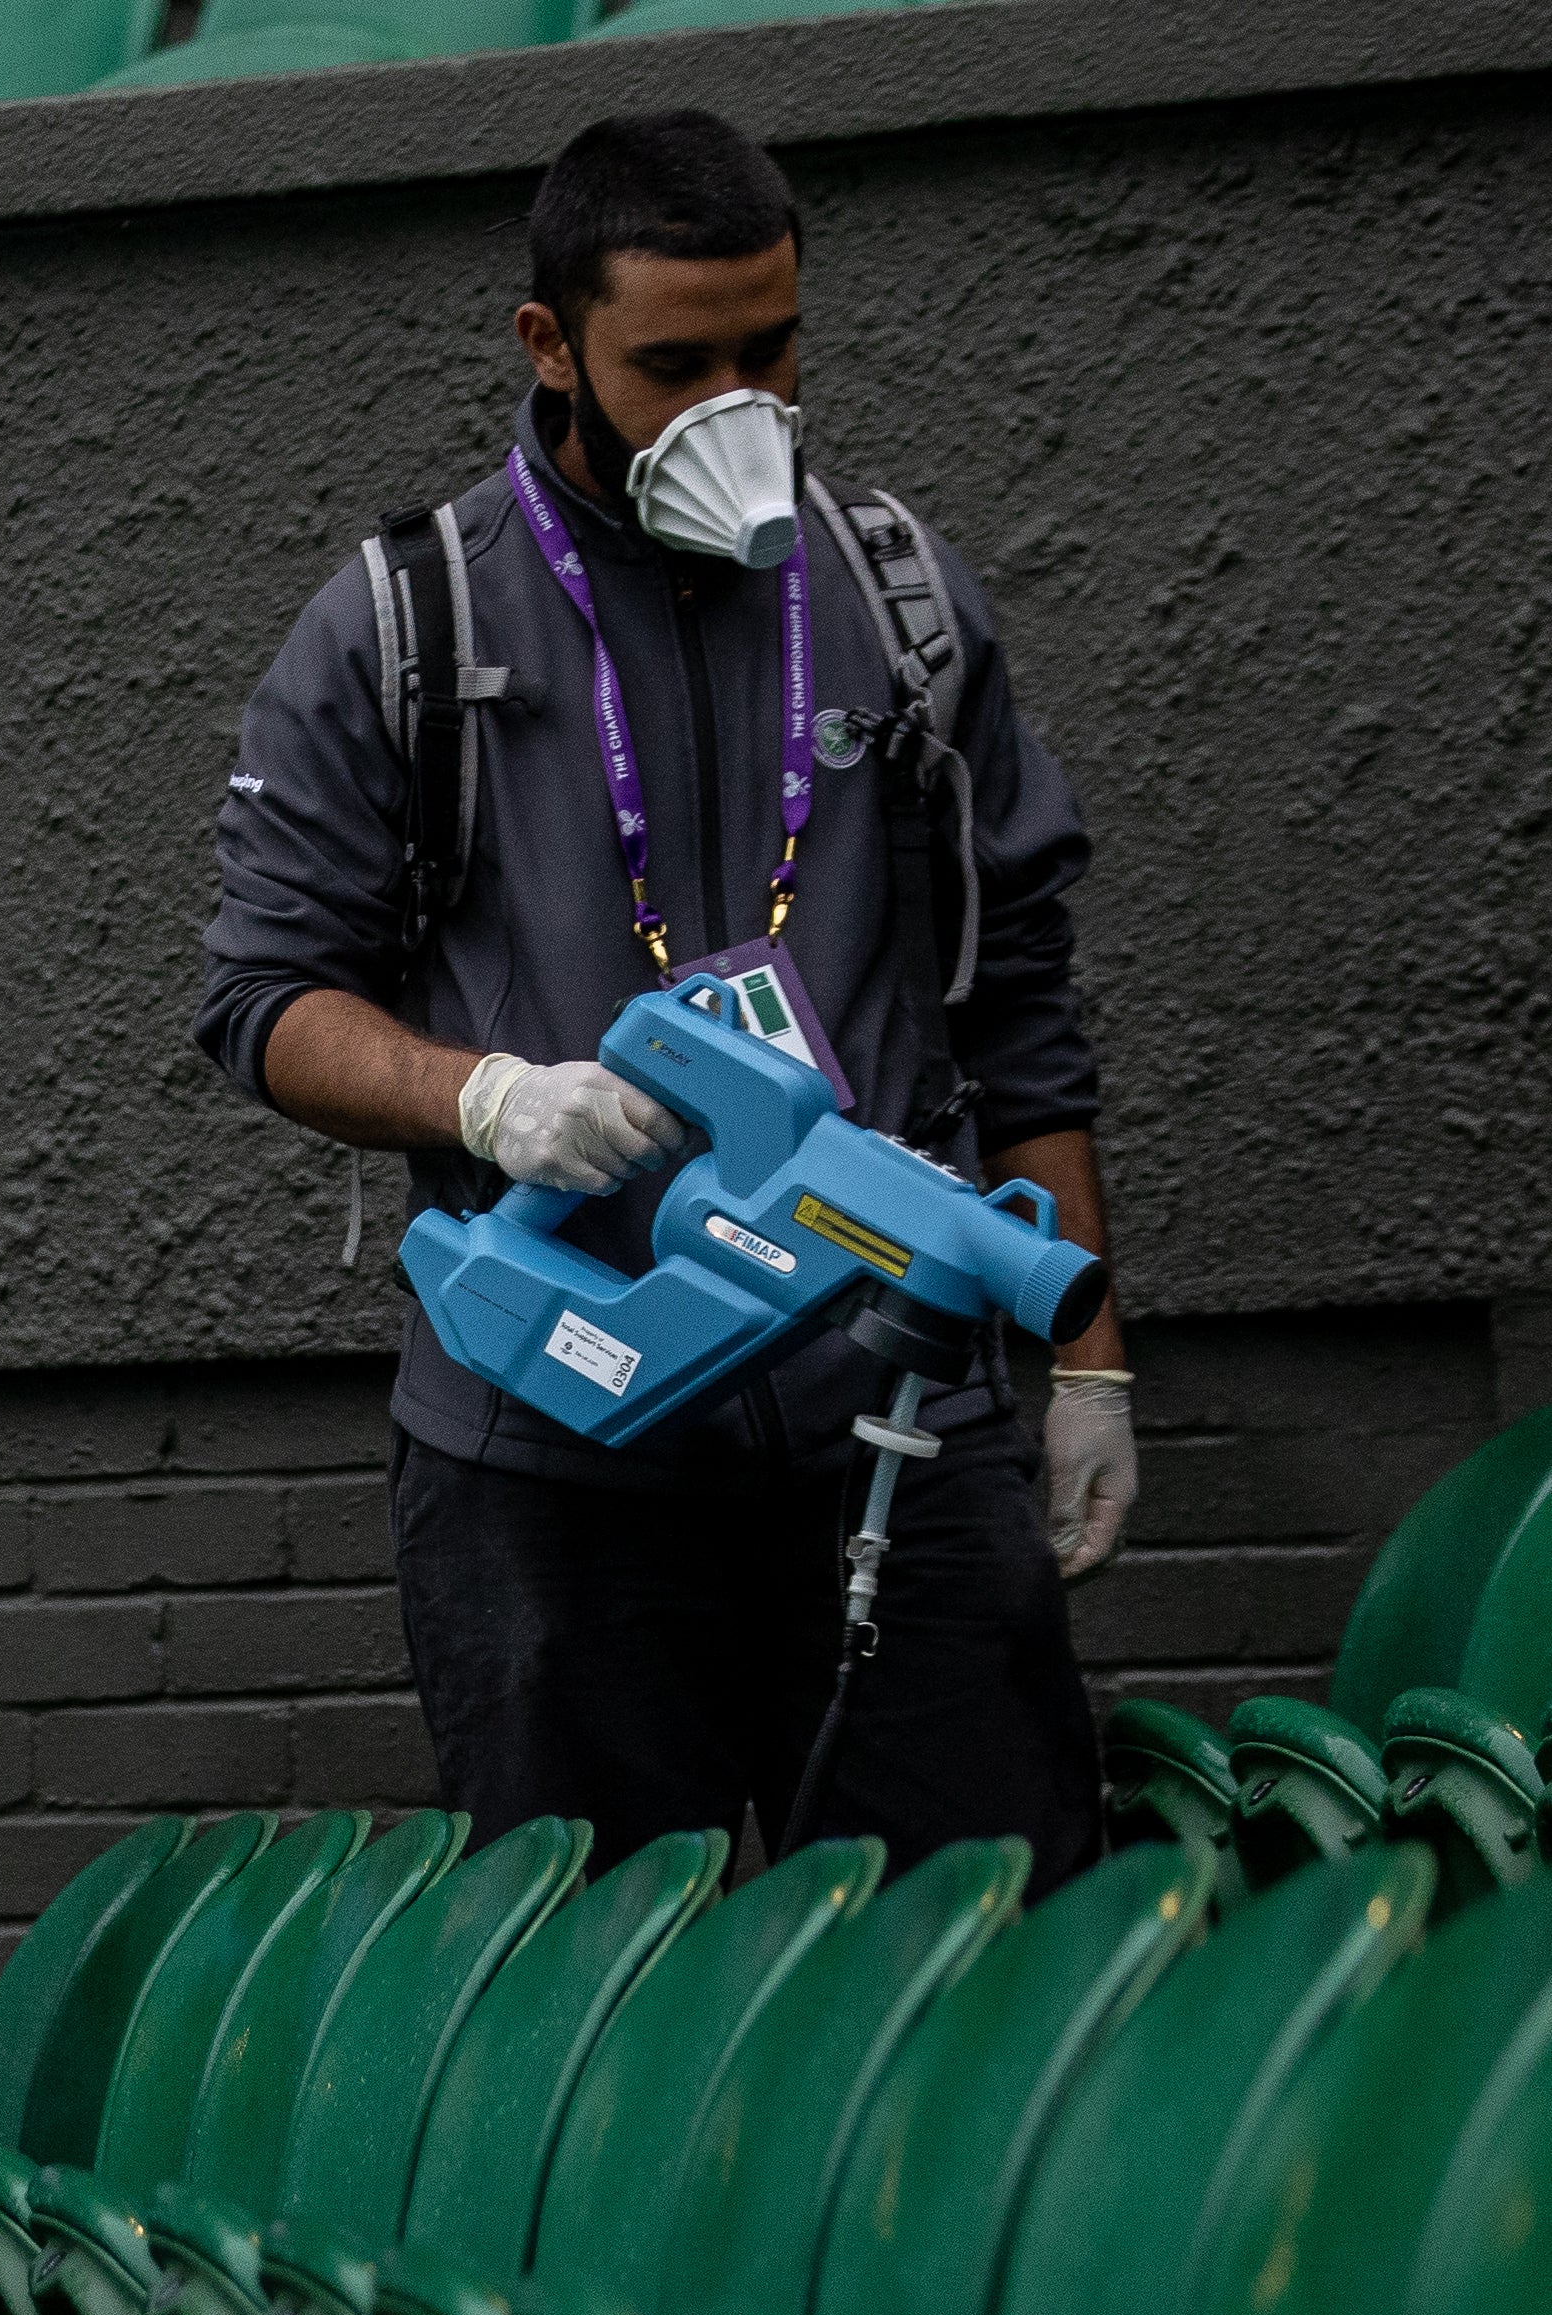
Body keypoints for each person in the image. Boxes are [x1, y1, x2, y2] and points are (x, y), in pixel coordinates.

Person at [194, 111, 1132, 1887]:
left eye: (769, 352)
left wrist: (1085, 1359)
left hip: (893, 1422)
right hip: (553, 1459)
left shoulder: (895, 600)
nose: (735, 406)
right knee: (604, 2029)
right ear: (548, 346)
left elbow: (1015, 995)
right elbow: (264, 997)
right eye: (672, 364)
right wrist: (484, 1100)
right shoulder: (407, 622)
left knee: (976, 1962)